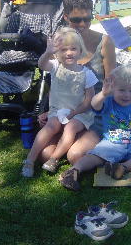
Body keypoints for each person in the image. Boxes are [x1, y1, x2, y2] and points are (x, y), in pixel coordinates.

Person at [36, 0, 116, 172]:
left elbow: (112, 86)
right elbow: (58, 81)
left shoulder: (105, 42)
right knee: (45, 154)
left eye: (87, 19)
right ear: (65, 17)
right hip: (65, 112)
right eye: (76, 20)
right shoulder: (61, 43)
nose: (82, 24)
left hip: (95, 112)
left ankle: (95, 144)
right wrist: (50, 110)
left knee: (75, 156)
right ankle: (67, 145)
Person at [59, 65, 131, 191]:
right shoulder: (108, 101)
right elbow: (94, 105)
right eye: (122, 90)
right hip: (111, 144)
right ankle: (73, 172)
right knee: (94, 157)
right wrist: (103, 93)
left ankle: (121, 167)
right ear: (113, 89)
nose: (127, 95)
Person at [22, 29, 99, 177]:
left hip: (79, 113)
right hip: (58, 110)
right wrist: (47, 52)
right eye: (63, 50)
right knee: (51, 126)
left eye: (73, 49)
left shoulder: (86, 73)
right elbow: (41, 64)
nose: (68, 53)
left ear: (80, 50)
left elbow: (89, 100)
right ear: (58, 52)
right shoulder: (56, 66)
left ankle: (53, 159)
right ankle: (30, 160)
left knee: (70, 128)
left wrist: (74, 113)